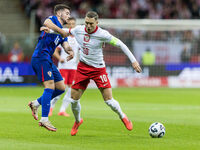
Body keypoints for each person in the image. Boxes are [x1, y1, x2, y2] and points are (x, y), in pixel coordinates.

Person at [41, 11, 142, 136]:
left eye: (91, 24)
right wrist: (49, 31)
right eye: (86, 23)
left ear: (97, 23)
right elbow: (64, 32)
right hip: (83, 68)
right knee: (73, 100)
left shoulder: (103, 34)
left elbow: (121, 44)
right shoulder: (78, 30)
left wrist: (133, 61)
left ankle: (123, 116)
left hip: (99, 69)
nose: (88, 26)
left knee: (109, 100)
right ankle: (78, 121)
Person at [28, 4, 74, 132]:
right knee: (50, 87)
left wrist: (70, 51)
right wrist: (61, 31)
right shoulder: (52, 20)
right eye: (67, 13)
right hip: (40, 58)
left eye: (69, 14)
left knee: (61, 88)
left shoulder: (62, 32)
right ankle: (44, 119)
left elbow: (65, 45)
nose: (68, 16)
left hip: (48, 60)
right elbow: (46, 22)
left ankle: (35, 103)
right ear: (59, 13)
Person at [49, 17, 79, 117]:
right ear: (66, 25)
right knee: (61, 89)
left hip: (73, 68)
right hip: (63, 67)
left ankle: (62, 110)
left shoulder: (78, 38)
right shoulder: (62, 37)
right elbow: (54, 51)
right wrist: (59, 58)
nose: (71, 26)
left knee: (71, 90)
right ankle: (51, 108)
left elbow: (80, 52)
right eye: (69, 24)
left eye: (72, 24)